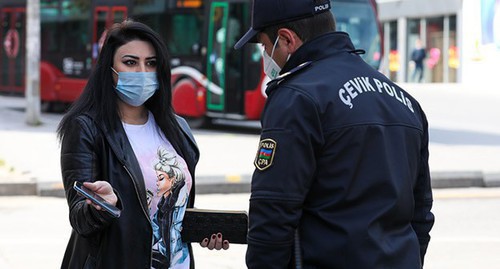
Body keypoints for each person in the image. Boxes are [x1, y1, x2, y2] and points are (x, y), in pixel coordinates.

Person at [234, 0, 435, 268]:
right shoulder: (404, 101)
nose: (265, 56)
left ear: (286, 39)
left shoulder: (296, 98)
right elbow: (421, 213)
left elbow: (273, 214)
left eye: (264, 46)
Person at [57, 19, 227, 269]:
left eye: (151, 63)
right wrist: (103, 206)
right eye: (130, 62)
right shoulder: (85, 129)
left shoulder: (177, 127)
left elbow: (176, 209)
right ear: (109, 69)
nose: (142, 72)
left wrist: (200, 230)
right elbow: (80, 218)